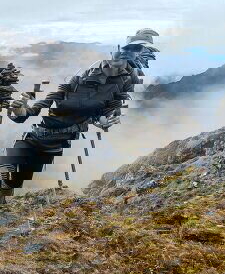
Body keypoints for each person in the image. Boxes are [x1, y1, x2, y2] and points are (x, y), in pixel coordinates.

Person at [0, 29, 159, 198]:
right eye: (130, 49)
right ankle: (8, 174)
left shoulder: (129, 78)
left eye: (136, 50)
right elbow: (65, 89)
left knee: (30, 162)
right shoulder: (101, 66)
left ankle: (9, 180)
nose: (129, 54)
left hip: (70, 127)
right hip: (59, 119)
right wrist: (29, 110)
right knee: (28, 151)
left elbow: (112, 105)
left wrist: (104, 119)